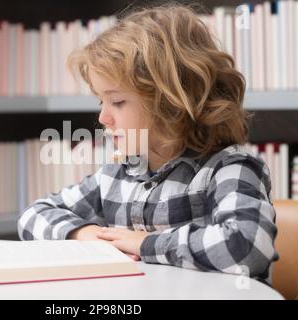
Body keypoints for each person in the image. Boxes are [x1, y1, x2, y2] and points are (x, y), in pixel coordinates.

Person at [17, 3, 278, 284]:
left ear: (171, 101)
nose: (103, 117)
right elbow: (33, 215)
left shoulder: (229, 168)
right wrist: (83, 234)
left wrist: (144, 244)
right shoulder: (119, 174)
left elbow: (246, 246)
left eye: (117, 102)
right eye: (101, 101)